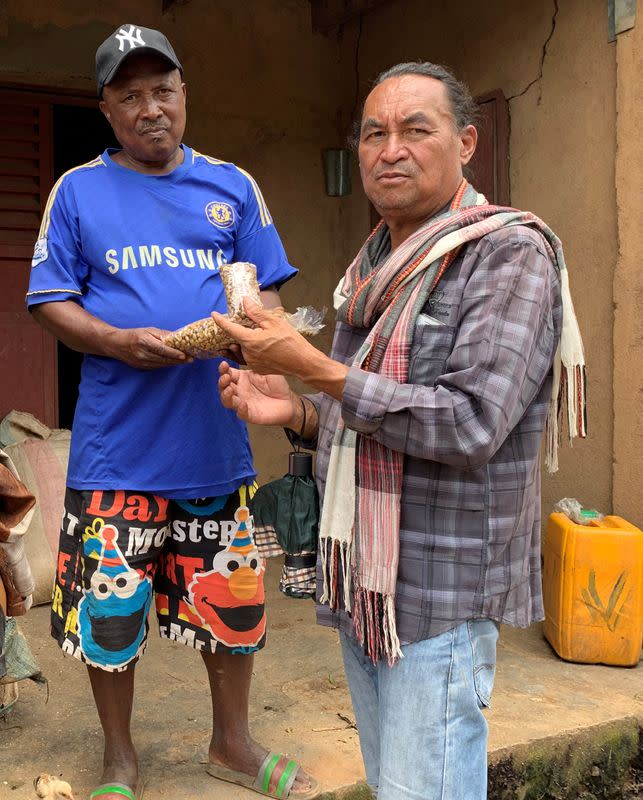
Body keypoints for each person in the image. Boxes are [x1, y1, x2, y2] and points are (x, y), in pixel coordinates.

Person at [215, 62, 586, 800]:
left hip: (438, 594)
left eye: (416, 129)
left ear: (466, 142)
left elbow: (471, 423)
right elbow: (367, 418)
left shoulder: (507, 254)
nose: (391, 149)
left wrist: (317, 371)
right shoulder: (371, 267)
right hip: (367, 585)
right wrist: (293, 410)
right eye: (374, 133)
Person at [26, 23, 319, 800]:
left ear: (184, 94)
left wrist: (256, 328)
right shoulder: (78, 191)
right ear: (107, 109)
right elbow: (49, 300)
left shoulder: (232, 186)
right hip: (117, 450)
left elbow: (269, 291)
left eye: (163, 91)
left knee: (231, 602)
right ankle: (119, 757)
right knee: (107, 615)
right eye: (130, 95)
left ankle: (231, 743)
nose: (149, 108)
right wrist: (118, 340)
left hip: (215, 442)